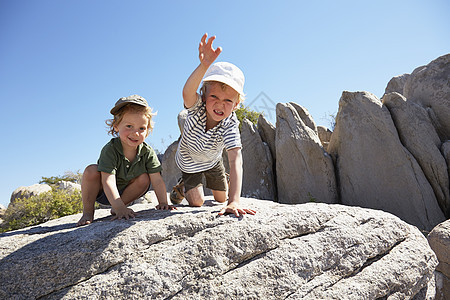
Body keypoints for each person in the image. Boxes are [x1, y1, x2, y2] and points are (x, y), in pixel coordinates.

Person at [172, 33, 256, 217]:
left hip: (212, 160)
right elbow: (187, 93)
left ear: (236, 105)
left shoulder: (230, 122)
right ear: (203, 95)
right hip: (189, 161)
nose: (220, 104)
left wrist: (234, 201)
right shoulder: (197, 108)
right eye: (214, 97)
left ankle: (221, 183)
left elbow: (235, 159)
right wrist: (204, 66)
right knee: (197, 202)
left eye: (228, 100)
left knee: (221, 198)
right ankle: (183, 186)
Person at [77, 95, 175, 226]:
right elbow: (108, 181)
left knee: (145, 178)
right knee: (91, 170)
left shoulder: (147, 152)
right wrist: (119, 208)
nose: (135, 133)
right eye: (129, 126)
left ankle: (118, 206)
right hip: (104, 192)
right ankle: (88, 213)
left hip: (127, 192)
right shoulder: (110, 149)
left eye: (142, 128)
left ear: (148, 130)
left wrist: (163, 202)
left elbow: (156, 179)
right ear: (116, 126)